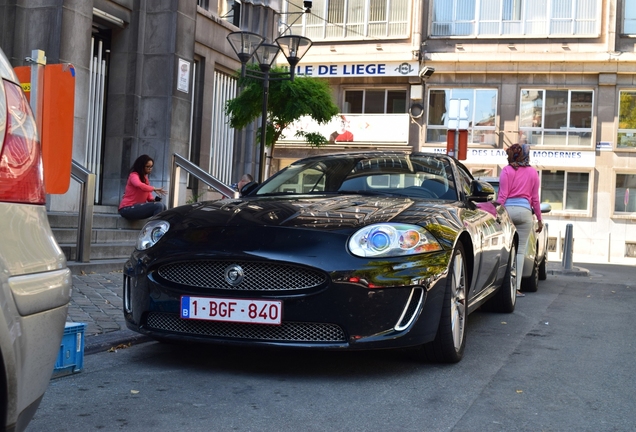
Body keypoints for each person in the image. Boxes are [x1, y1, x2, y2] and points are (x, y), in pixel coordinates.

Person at [497, 143, 543, 297]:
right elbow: (535, 199)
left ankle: (499, 285)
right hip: (524, 212)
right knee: (520, 250)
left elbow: (502, 196)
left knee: (506, 249)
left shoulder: (506, 171)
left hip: (508, 211)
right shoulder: (533, 173)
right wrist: (539, 219)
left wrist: (497, 214)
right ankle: (515, 288)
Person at [118, 155, 167, 220]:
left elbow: (149, 196)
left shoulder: (145, 179)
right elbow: (139, 185)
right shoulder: (133, 175)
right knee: (158, 206)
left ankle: (158, 226)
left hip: (138, 207)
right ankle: (153, 228)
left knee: (163, 206)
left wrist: (154, 200)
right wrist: (153, 188)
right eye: (147, 166)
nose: (150, 169)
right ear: (141, 166)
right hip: (127, 208)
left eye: (151, 166)